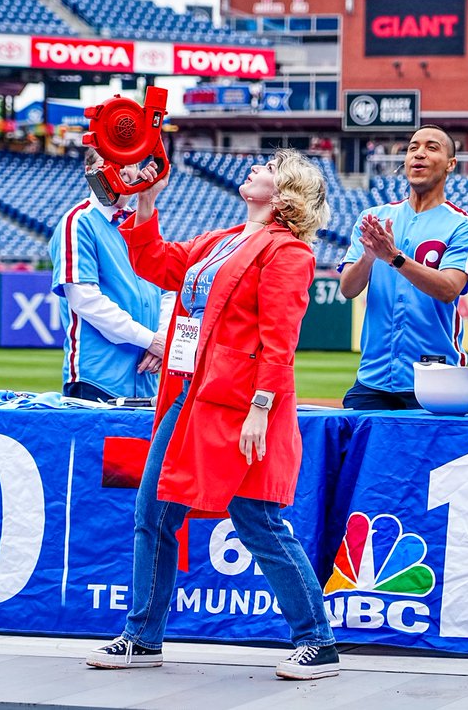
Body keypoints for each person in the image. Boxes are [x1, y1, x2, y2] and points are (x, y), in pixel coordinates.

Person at [87, 150, 340, 681]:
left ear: (287, 190)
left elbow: (280, 343)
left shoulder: (288, 252)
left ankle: (316, 640)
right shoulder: (219, 239)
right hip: (191, 396)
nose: (255, 167)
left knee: (258, 520)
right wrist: (146, 199)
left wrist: (261, 409)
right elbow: (155, 263)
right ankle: (142, 636)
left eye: (270, 166)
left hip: (240, 405)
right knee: (153, 512)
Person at [339, 126, 468, 410]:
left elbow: (449, 289)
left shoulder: (460, 225)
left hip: (436, 378)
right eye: (413, 147)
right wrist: (368, 257)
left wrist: (394, 257)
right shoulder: (374, 217)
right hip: (373, 377)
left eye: (431, 147)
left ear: (451, 164)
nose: (419, 154)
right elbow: (348, 288)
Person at [48, 148, 174, 402]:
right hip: (97, 380)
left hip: (147, 380)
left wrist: (162, 341)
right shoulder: (79, 221)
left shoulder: (143, 221)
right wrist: (152, 341)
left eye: (130, 163)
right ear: (90, 171)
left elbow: (167, 290)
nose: (125, 171)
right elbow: (85, 300)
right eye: (114, 163)